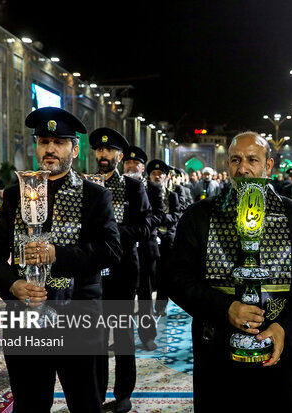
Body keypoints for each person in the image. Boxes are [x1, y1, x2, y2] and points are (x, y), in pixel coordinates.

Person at [167, 132, 292, 413]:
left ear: (268, 166)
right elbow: (176, 279)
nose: (243, 168)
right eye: (235, 160)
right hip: (215, 346)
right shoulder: (199, 215)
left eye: (252, 160)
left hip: (278, 347)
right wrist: (225, 307)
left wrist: (285, 327)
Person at [0, 107, 122, 412]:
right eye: (44, 141)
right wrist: (14, 286)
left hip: (79, 316)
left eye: (59, 142)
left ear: (74, 148)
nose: (51, 149)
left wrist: (57, 253)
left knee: (86, 404)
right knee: (30, 404)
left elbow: (111, 249)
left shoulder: (94, 195)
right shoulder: (14, 195)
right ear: (36, 146)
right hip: (26, 318)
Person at [89, 128, 152, 413]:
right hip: (92, 273)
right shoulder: (83, 186)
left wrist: (114, 232)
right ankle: (96, 394)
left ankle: (123, 394)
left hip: (123, 270)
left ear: (119, 156)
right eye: (100, 151)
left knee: (123, 334)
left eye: (109, 151)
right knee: (96, 338)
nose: (104, 155)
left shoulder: (133, 187)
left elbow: (147, 226)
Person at [123, 146, 165, 351]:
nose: (131, 166)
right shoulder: (118, 187)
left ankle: (148, 336)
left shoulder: (153, 188)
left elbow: (159, 215)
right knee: (124, 298)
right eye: (127, 163)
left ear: (142, 168)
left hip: (146, 248)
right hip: (124, 249)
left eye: (135, 164)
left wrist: (144, 224)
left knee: (146, 297)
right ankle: (122, 337)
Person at [147, 160, 181, 317]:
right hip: (150, 237)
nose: (157, 176)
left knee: (164, 274)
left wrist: (162, 219)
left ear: (166, 176)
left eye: (160, 174)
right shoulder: (144, 193)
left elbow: (176, 214)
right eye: (154, 173)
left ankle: (161, 306)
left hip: (167, 238)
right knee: (150, 273)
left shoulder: (172, 194)